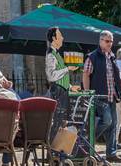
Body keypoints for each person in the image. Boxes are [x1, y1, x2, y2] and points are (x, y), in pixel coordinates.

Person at [83, 31, 121, 163]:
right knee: (107, 121)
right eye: (107, 41)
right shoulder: (92, 57)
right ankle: (87, 141)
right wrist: (87, 93)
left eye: (111, 41)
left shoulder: (112, 57)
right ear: (100, 41)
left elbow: (117, 77)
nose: (110, 44)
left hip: (112, 96)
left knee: (113, 124)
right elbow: (85, 74)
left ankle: (111, 154)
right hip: (98, 96)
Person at [45, 27, 74, 162]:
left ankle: (58, 153)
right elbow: (51, 76)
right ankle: (51, 155)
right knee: (56, 123)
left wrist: (70, 86)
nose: (62, 38)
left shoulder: (57, 54)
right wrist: (67, 68)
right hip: (58, 92)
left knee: (62, 122)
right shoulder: (51, 54)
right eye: (60, 36)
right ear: (53, 39)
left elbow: (60, 76)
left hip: (63, 91)